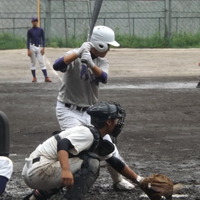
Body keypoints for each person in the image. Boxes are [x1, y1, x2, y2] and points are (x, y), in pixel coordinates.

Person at [53, 25, 134, 190]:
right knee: (78, 145)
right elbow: (57, 65)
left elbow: (103, 78)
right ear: (100, 45)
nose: (109, 49)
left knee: (107, 145)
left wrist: (90, 63)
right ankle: (62, 180)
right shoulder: (74, 54)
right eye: (108, 45)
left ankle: (118, 180)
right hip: (68, 110)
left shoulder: (102, 61)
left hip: (91, 112)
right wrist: (78, 53)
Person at [22, 101, 144, 200]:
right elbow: (62, 144)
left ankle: (36, 197)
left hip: (35, 169)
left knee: (80, 162)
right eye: (116, 119)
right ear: (108, 122)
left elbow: (114, 161)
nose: (119, 122)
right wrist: (65, 170)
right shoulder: (88, 134)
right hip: (39, 171)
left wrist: (140, 180)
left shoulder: (94, 134)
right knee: (91, 163)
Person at [27, 17, 52, 83]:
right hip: (32, 46)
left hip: (39, 47)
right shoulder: (30, 31)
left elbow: (43, 39)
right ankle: (34, 77)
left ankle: (46, 77)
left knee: (42, 62)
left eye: (36, 21)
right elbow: (28, 40)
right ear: (32, 22)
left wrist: (43, 48)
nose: (35, 22)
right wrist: (28, 50)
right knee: (33, 62)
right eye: (33, 21)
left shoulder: (40, 30)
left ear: (37, 22)